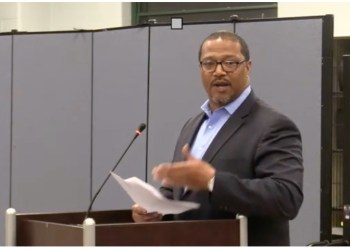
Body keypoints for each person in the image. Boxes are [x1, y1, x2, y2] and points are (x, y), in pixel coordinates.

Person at [131, 31, 304, 246]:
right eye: (209, 63)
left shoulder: (273, 126)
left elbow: (286, 198)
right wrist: (156, 208)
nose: (219, 71)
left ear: (248, 67)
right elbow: (182, 193)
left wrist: (213, 180)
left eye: (230, 63)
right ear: (200, 69)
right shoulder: (192, 125)